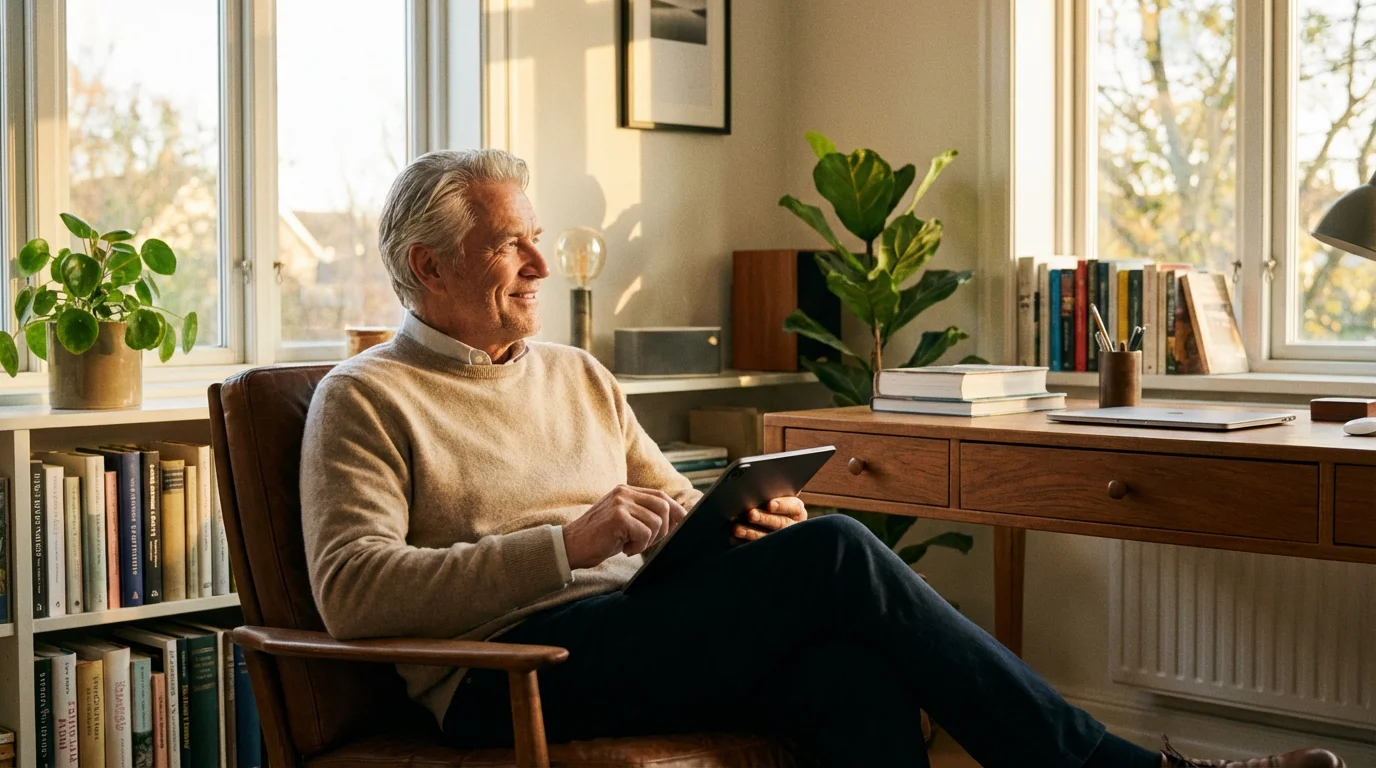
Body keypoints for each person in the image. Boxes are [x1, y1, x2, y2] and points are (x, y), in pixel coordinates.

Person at [300, 149, 1345, 768]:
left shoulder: (574, 372)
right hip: (509, 674)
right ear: (426, 266)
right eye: (505, 245)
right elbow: (352, 594)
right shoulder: (365, 398)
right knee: (841, 556)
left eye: (534, 238)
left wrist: (738, 522)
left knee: (845, 674)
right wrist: (559, 544)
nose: (534, 263)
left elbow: (670, 499)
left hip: (631, 630)